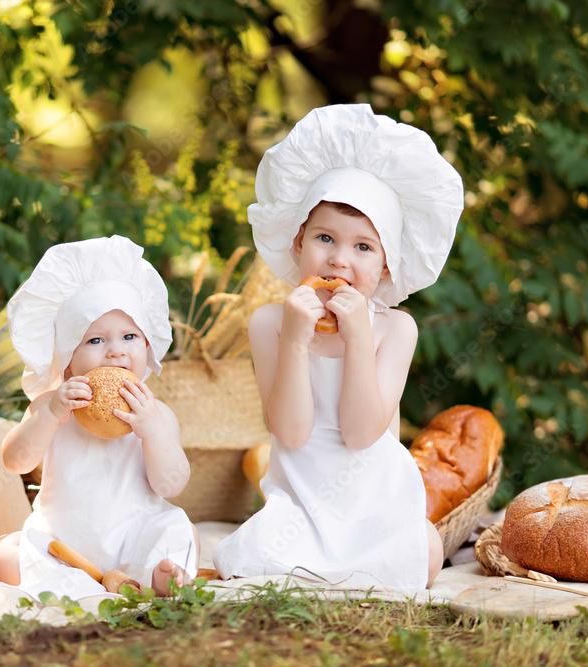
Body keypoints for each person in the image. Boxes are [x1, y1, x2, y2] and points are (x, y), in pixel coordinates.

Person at [213, 104, 464, 589]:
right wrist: (295, 340)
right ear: (298, 244)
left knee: (425, 552)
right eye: (325, 238)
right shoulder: (270, 321)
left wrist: (358, 338)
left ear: (388, 267)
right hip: (299, 505)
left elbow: (361, 433)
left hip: (373, 502)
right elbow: (290, 430)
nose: (339, 260)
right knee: (252, 555)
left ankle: (367, 561)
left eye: (364, 247)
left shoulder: (396, 329)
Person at [0, 235, 198, 598]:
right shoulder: (52, 405)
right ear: (66, 361)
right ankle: (80, 581)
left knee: (179, 530)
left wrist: (152, 433)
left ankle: (158, 576)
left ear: (147, 346)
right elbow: (14, 462)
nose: (115, 351)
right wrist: (50, 413)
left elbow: (172, 485)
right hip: (64, 545)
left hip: (135, 539)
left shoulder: (156, 413)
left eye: (130, 336)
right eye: (95, 341)